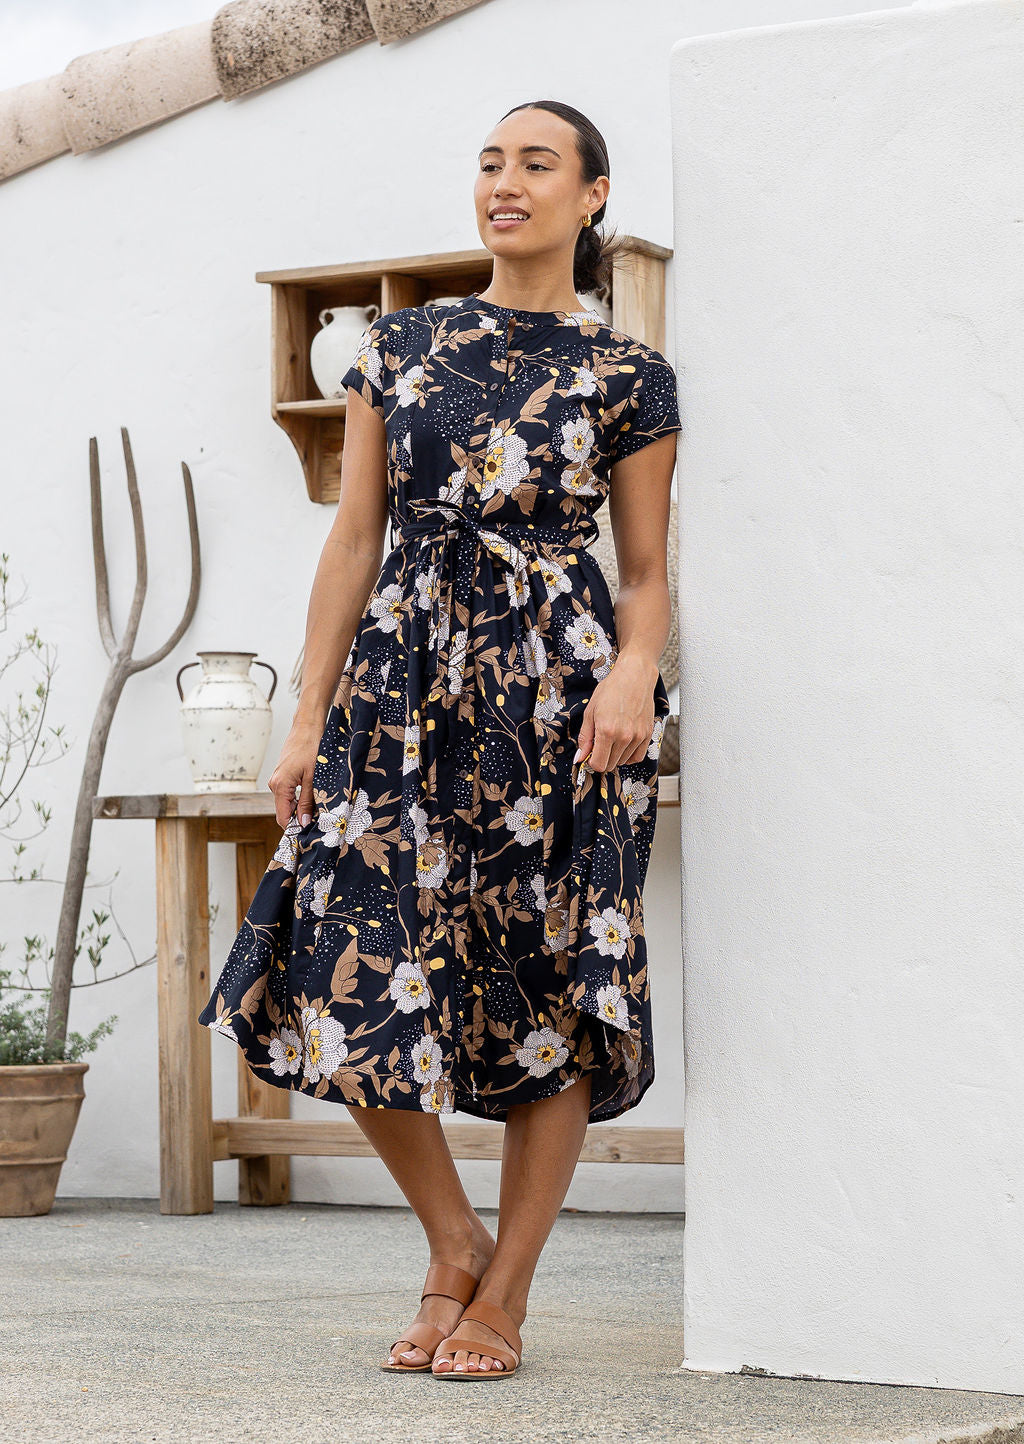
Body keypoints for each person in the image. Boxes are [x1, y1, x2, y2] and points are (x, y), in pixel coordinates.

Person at [197, 98, 682, 1380]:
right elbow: (353, 538)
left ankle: (504, 1293)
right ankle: (450, 1239)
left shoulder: (626, 373)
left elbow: (642, 570)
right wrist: (306, 711)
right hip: (394, 691)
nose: (504, 183)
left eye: (535, 164)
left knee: (544, 983)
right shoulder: (393, 346)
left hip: (556, 700)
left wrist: (635, 673)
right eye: (488, 162)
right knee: (337, 958)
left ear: (591, 196)